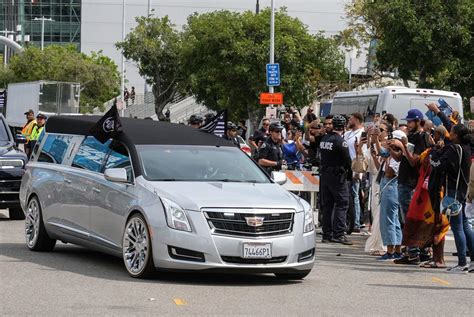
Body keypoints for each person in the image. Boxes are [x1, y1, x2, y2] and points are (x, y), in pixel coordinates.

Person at [396, 125, 450, 268]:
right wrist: (405, 148)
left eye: (434, 135)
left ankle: (438, 259)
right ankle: (414, 253)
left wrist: (438, 150)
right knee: (415, 220)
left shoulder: (444, 151)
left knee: (437, 224)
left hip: (436, 193)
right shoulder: (428, 151)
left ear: (440, 136)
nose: (432, 137)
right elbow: (414, 162)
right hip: (422, 192)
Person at [430, 124, 473, 273]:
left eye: (452, 131)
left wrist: (434, 151)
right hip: (462, 190)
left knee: (457, 227)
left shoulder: (454, 149)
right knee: (465, 225)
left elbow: (438, 165)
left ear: (455, 135)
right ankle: (472, 260)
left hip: (453, 191)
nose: (449, 133)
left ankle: (462, 262)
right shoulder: (467, 148)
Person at [395, 109, 430, 264]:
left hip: (411, 183)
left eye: (410, 122)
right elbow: (400, 159)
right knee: (405, 217)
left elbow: (414, 161)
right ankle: (415, 250)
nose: (408, 124)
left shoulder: (421, 138)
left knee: (410, 218)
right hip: (403, 180)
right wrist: (391, 149)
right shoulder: (409, 137)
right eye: (407, 122)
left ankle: (413, 252)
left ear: (418, 122)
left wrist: (403, 148)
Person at [319, 115, 353, 245]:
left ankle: (326, 234)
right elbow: (347, 160)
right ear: (343, 127)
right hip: (337, 176)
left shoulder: (324, 139)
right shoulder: (340, 141)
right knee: (342, 203)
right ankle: (338, 234)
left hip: (325, 175)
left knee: (327, 205)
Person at [377, 130, 406, 261]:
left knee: (387, 219)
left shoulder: (397, 156)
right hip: (392, 187)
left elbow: (389, 173)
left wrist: (388, 158)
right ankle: (397, 250)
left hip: (391, 186)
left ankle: (389, 251)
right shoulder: (395, 154)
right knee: (395, 220)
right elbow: (380, 152)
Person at [344, 112, 364, 232]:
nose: (349, 121)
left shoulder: (362, 134)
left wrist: (358, 171)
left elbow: (363, 153)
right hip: (346, 168)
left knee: (354, 195)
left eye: (350, 119)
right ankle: (348, 220)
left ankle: (355, 222)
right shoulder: (347, 134)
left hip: (355, 168)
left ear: (356, 120)